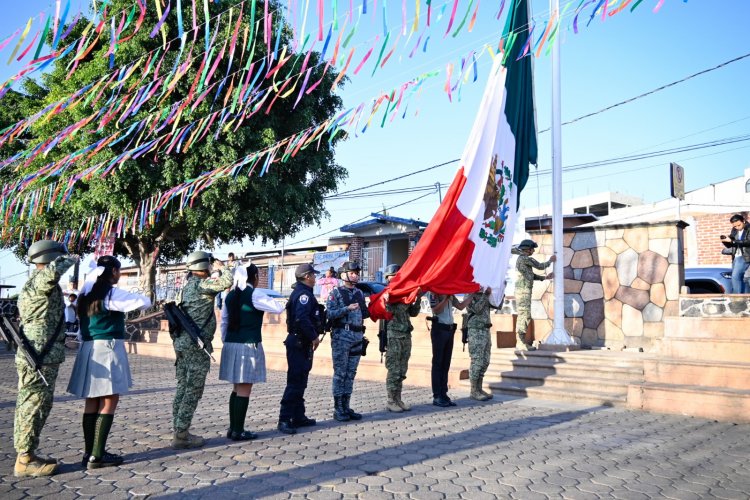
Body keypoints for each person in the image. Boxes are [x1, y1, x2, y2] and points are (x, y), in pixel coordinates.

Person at [67, 256, 151, 469]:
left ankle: (89, 452)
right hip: (108, 347)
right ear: (113, 271)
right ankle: (97, 454)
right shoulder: (111, 293)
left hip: (88, 347)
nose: (119, 275)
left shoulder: (85, 294)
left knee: (92, 400)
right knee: (109, 399)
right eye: (118, 271)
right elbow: (145, 302)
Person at [14, 240, 77, 477]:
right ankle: (24, 460)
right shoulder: (41, 281)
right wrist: (70, 257)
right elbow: (54, 270)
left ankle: (28, 453)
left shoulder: (35, 284)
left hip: (42, 355)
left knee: (36, 405)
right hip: (39, 357)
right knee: (32, 406)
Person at [171, 251, 232, 449]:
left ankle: (179, 427)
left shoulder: (186, 287)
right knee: (193, 389)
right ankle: (181, 434)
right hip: (196, 345)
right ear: (204, 267)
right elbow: (226, 282)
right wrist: (223, 267)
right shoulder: (202, 285)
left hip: (181, 344)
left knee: (182, 386)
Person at [220, 264, 284, 441]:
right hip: (248, 345)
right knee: (244, 388)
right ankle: (238, 430)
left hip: (231, 343)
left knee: (236, 387)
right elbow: (278, 308)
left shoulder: (230, 295)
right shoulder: (255, 294)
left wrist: (226, 341)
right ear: (255, 277)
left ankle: (233, 428)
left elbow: (224, 322)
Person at [278, 263, 324, 434]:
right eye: (313, 275)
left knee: (301, 380)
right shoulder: (303, 295)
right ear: (307, 276)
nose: (315, 278)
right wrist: (314, 336)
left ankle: (298, 416)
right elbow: (302, 318)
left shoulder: (303, 293)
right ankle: (284, 419)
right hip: (299, 341)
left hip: (301, 342)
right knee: (295, 381)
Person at [326, 261, 369, 422]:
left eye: (357, 272)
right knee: (340, 374)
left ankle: (346, 406)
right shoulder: (335, 293)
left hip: (357, 338)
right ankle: (338, 409)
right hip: (341, 337)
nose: (355, 275)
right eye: (352, 272)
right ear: (343, 274)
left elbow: (365, 314)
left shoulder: (359, 293)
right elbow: (329, 314)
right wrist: (346, 309)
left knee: (351, 374)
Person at [382, 264, 423, 413]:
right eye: (393, 275)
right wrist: (386, 301)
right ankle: (391, 400)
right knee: (394, 369)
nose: (396, 277)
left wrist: (417, 298)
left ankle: (398, 398)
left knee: (402, 369)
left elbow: (413, 313)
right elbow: (385, 313)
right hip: (394, 335)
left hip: (406, 335)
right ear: (388, 278)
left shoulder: (405, 292)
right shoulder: (387, 293)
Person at [514, 239, 556, 351]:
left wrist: (545, 278)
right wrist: (550, 261)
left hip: (523, 291)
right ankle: (520, 342)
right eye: (532, 248)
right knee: (524, 316)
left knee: (524, 315)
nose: (533, 251)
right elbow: (540, 266)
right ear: (527, 249)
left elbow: (531, 275)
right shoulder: (524, 258)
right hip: (523, 292)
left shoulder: (523, 259)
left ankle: (520, 341)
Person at [428, 293, 468, 407]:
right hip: (439, 329)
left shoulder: (450, 292)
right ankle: (437, 396)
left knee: (446, 364)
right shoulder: (434, 292)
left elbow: (460, 306)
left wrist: (472, 296)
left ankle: (444, 394)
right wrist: (445, 298)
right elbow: (436, 310)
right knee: (438, 363)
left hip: (450, 330)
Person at [464, 288, 496, 402]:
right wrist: (485, 295)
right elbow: (476, 309)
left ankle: (479, 388)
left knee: (485, 361)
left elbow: (496, 306)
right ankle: (474, 390)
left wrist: (500, 292)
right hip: (476, 331)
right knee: (477, 361)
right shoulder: (469, 295)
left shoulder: (484, 294)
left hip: (486, 330)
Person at [721, 214, 750, 293]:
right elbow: (731, 244)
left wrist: (732, 241)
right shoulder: (734, 230)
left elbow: (748, 242)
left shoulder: (748, 228)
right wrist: (725, 241)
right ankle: (744, 297)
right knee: (741, 278)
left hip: (745, 256)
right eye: (735, 226)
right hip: (736, 256)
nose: (737, 227)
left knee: (735, 277)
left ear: (743, 221)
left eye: (739, 225)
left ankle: (736, 298)